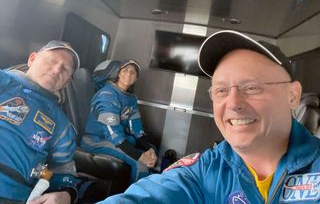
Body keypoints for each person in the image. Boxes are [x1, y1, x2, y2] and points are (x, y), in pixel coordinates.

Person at [98, 30, 320, 204]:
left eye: (252, 87)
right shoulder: (205, 170)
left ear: (292, 95)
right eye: (221, 90)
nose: (233, 103)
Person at [0, 40, 81, 204]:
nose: (57, 69)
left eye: (65, 69)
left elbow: (60, 170)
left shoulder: (63, 126)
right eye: (51, 60)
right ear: (32, 59)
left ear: (67, 82)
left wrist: (67, 194)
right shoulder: (4, 81)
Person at [81, 59, 158, 183]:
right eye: (125, 70)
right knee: (141, 164)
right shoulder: (106, 95)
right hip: (95, 140)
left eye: (133, 72)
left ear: (136, 78)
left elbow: (137, 129)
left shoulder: (131, 99)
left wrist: (149, 149)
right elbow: (114, 134)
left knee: (150, 148)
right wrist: (140, 156)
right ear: (118, 74)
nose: (129, 74)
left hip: (114, 138)